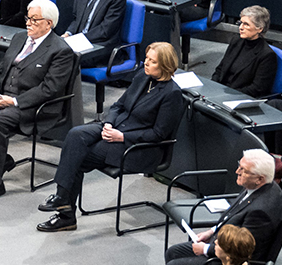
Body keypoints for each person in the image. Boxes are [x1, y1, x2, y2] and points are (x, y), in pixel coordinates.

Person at [36, 42, 184, 233]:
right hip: (115, 127)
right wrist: (109, 124)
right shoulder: (142, 77)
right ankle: (62, 198)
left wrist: (122, 136)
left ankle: (66, 213)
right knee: (75, 135)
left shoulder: (172, 94)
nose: (146, 63)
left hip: (137, 146)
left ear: (165, 65)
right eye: (146, 58)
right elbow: (118, 106)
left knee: (79, 156)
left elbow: (158, 134)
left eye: (152, 61)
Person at [0, 0, 75, 202]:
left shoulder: (61, 50)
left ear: (49, 23)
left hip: (32, 105)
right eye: (27, 18)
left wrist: (13, 102)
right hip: (2, 97)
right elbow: (0, 70)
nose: (28, 23)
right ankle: (1, 162)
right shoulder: (19, 38)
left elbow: (49, 89)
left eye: (34, 19)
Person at [162, 149, 282, 265]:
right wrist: (212, 231)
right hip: (221, 242)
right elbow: (233, 214)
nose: (237, 171)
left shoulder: (261, 211)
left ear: (260, 178)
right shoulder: (258, 185)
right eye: (239, 165)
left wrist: (206, 249)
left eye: (243, 170)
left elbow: (242, 251)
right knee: (173, 252)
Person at [212, 7, 281, 99]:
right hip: (222, 91)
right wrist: (212, 86)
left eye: (246, 24)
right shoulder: (236, 40)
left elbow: (257, 89)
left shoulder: (267, 55)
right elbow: (220, 69)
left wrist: (228, 95)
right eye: (240, 23)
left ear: (259, 29)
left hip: (239, 97)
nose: (241, 28)